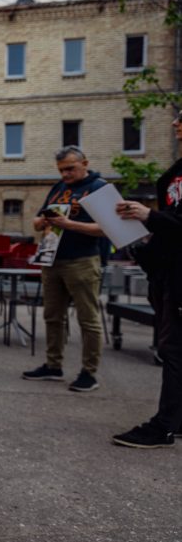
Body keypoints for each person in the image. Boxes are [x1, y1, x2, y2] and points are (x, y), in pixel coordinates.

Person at [111, 114, 182, 448]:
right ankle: (176, 420)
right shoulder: (175, 172)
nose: (175, 124)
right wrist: (143, 245)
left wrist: (149, 216)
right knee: (174, 348)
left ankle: (164, 426)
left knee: (174, 349)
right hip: (169, 273)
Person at [22, 146, 107, 392]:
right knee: (52, 316)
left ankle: (89, 373)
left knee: (88, 319)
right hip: (52, 259)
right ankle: (53, 365)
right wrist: (40, 221)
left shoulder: (97, 187)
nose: (66, 174)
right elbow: (39, 220)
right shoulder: (59, 188)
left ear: (85, 163)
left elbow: (106, 228)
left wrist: (69, 224)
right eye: (61, 170)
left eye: (70, 168)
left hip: (82, 260)